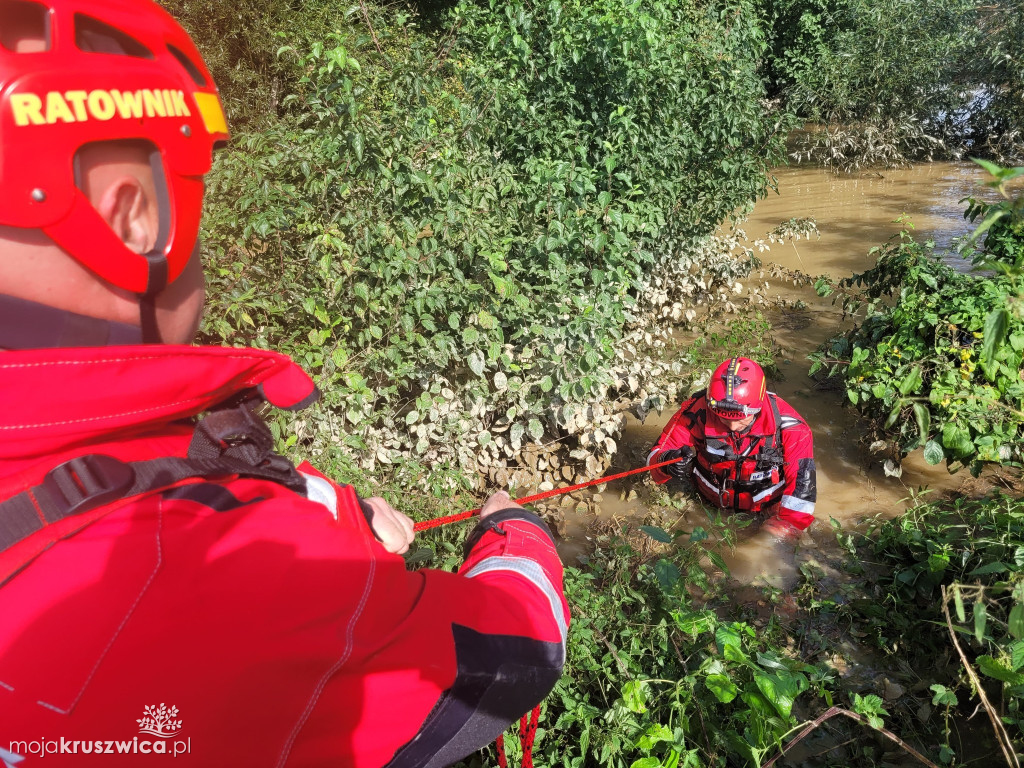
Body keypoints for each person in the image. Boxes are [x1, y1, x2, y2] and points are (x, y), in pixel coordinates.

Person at [0, 2, 568, 766]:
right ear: (132, 219)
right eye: (197, 177)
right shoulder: (233, 574)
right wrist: (517, 533)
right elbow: (517, 649)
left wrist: (344, 525)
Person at [647, 357, 816, 542]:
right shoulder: (695, 412)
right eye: (723, 418)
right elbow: (653, 459)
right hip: (708, 503)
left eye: (742, 419)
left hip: (767, 509)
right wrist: (666, 462)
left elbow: (801, 500)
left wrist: (772, 537)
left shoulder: (792, 428)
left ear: (758, 407)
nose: (733, 427)